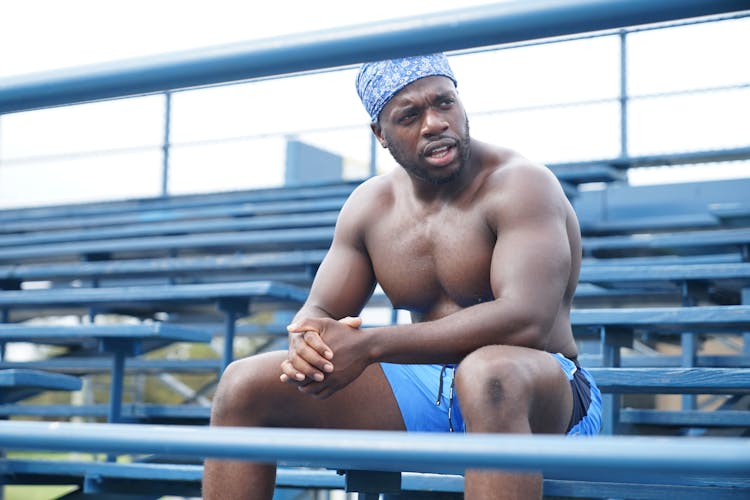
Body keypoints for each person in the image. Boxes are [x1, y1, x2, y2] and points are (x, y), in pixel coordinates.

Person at [203, 52, 601, 500]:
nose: (434, 123)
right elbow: (319, 312)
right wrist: (309, 344)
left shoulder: (521, 183)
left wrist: (371, 345)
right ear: (381, 134)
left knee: (489, 373)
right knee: (242, 385)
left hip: (540, 394)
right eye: (409, 116)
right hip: (426, 390)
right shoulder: (370, 206)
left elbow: (527, 320)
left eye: (444, 103)